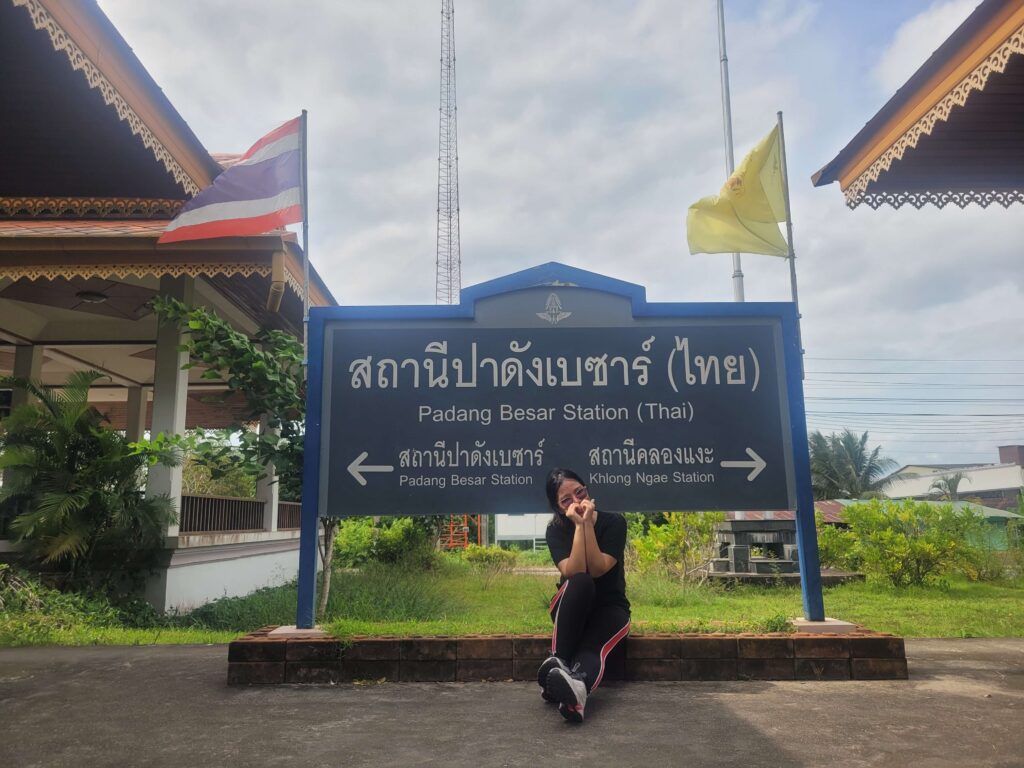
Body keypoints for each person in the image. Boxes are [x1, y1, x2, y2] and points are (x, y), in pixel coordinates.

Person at [538, 468, 630, 723]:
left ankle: (576, 689)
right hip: (572, 606)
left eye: (580, 492)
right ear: (558, 508)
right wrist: (579, 525)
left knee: (593, 648)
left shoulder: (614, 523)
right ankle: (557, 664)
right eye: (566, 499)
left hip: (610, 608)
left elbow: (599, 567)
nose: (577, 502)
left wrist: (586, 523)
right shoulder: (555, 531)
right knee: (581, 582)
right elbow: (575, 571)